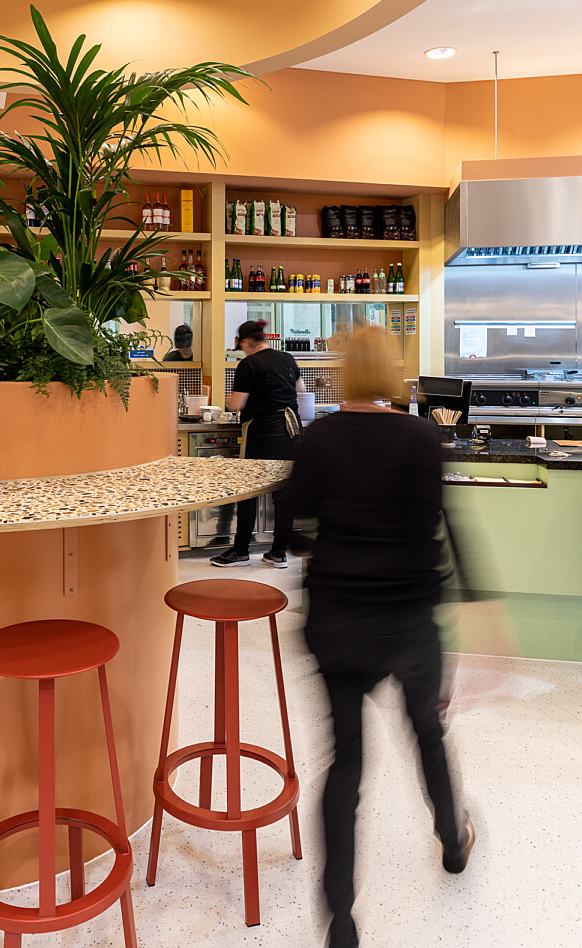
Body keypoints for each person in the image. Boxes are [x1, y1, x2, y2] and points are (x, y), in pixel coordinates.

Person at [277, 326, 474, 948]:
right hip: (410, 622)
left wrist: (325, 547)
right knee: (428, 735)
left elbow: (289, 528)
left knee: (345, 763)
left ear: (345, 372)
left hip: (339, 623)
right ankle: (452, 841)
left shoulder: (319, 438)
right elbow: (443, 529)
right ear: (391, 372)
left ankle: (341, 919)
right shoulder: (420, 437)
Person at [210, 319, 305, 568]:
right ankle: (278, 553)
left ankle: (241, 550)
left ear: (246, 342)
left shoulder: (248, 364)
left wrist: (228, 400)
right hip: (290, 431)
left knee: (248, 492)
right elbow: (301, 389)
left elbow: (237, 404)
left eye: (241, 344)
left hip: (261, 433)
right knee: (283, 495)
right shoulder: (287, 358)